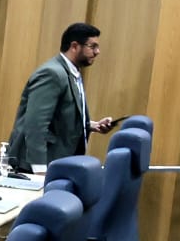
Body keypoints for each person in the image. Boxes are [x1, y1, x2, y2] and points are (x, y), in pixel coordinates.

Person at [6, 22, 115, 170]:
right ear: (75, 46)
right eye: (92, 46)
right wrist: (39, 169)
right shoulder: (52, 74)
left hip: (58, 162)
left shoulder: (71, 73)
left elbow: (60, 116)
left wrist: (90, 125)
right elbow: (35, 125)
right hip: (36, 166)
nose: (97, 52)